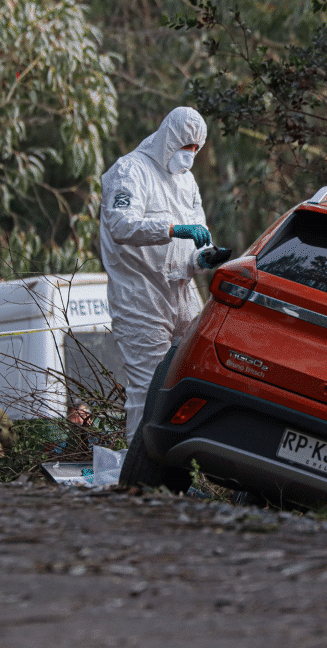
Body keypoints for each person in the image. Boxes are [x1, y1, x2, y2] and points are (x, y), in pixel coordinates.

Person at [99, 106, 231, 441]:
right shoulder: (130, 171)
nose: (189, 156)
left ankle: (180, 464)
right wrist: (173, 228)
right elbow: (120, 224)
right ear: (167, 139)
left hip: (181, 292)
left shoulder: (187, 182)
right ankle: (137, 472)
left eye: (195, 150)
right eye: (184, 147)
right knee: (146, 387)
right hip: (140, 296)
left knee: (198, 373)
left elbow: (196, 235)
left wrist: (202, 258)